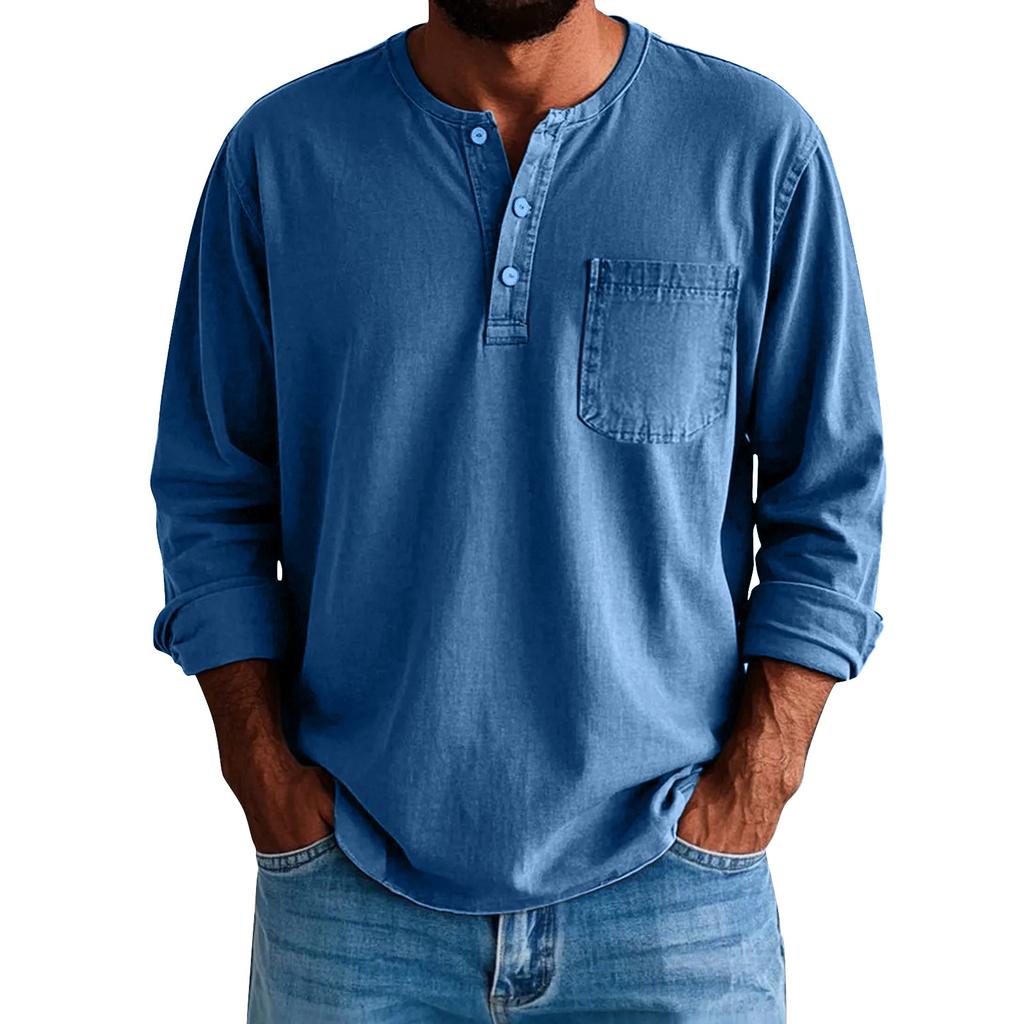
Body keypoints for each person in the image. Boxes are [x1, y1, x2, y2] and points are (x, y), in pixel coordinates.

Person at [150, 1, 885, 1019]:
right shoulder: (281, 157)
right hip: (351, 899)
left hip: (674, 899)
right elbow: (211, 487)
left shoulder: (755, 146)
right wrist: (261, 772)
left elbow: (833, 490)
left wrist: (762, 774)